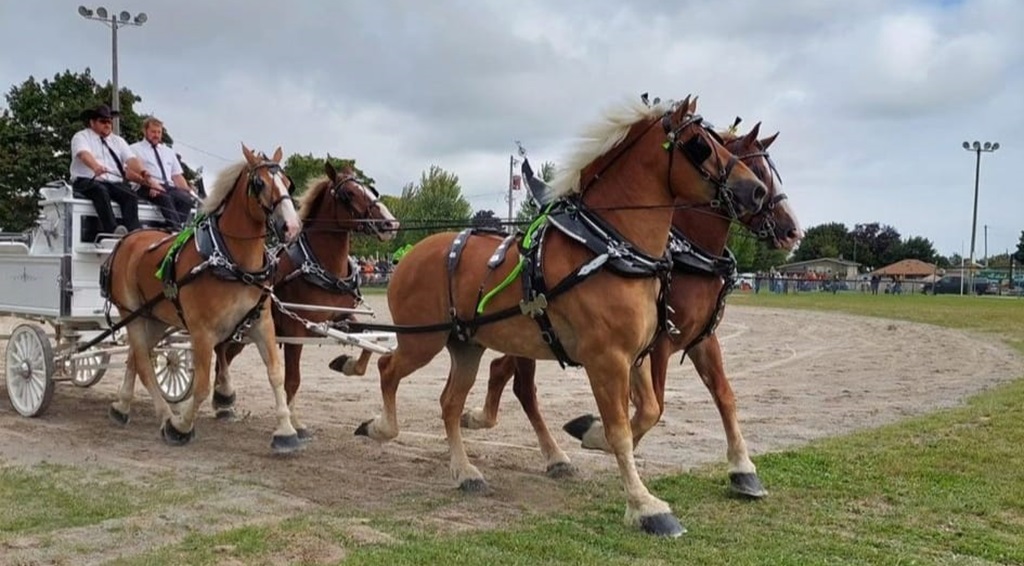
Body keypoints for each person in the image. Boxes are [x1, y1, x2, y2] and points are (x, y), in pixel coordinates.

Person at [70, 104, 147, 236]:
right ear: (92, 122)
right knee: (100, 190)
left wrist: (143, 173)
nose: (107, 125)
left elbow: (131, 160)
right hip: (87, 180)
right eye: (103, 121)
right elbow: (83, 154)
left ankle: (134, 232)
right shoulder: (81, 136)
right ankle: (112, 230)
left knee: (129, 194)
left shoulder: (118, 141)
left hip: (112, 183)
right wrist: (95, 166)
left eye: (109, 122)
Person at [130, 117, 196, 228]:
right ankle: (176, 230)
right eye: (153, 132)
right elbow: (131, 172)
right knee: (165, 197)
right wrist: (150, 184)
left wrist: (188, 191)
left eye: (159, 132)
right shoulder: (134, 149)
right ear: (145, 131)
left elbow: (177, 176)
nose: (156, 135)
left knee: (185, 199)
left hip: (168, 187)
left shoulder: (168, 152)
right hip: (146, 186)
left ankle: (173, 226)